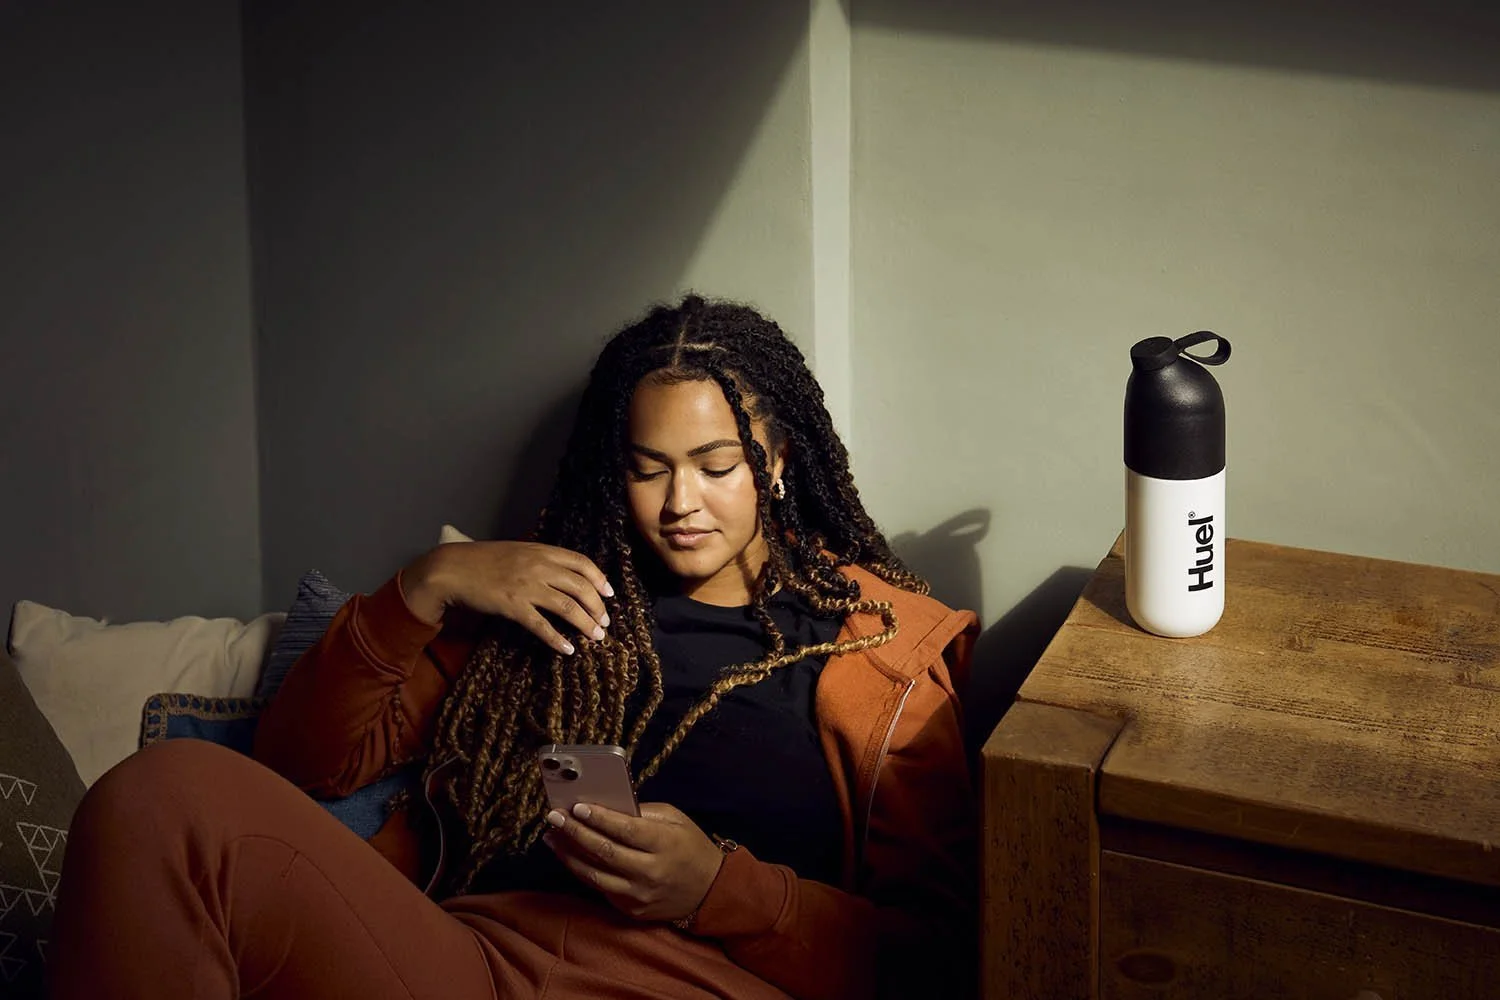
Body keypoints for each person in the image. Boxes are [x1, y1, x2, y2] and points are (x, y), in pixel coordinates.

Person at [50, 295, 979, 1000]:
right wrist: (428, 585)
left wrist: (718, 889)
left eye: (716, 466)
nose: (680, 503)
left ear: (774, 462)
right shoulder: (557, 602)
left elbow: (936, 960)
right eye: (648, 469)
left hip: (694, 985)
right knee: (160, 794)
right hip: (473, 964)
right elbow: (305, 763)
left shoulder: (882, 655)